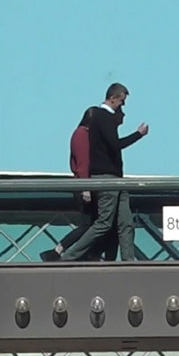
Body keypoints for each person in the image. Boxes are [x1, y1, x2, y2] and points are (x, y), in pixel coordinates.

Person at [61, 83, 148, 261]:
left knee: (125, 222)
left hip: (116, 178)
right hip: (107, 177)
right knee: (104, 223)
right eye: (121, 102)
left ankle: (128, 260)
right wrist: (138, 134)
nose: (122, 107)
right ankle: (69, 256)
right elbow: (115, 145)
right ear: (113, 98)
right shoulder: (103, 117)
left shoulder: (100, 119)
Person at [41, 106, 117, 262]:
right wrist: (86, 187)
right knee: (88, 224)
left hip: (86, 183)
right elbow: (83, 163)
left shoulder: (86, 135)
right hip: (84, 184)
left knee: (93, 224)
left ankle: (73, 252)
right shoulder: (82, 135)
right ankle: (60, 250)